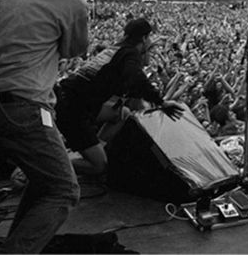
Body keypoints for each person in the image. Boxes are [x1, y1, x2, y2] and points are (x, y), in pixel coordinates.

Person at [0, 0, 93, 253]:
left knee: (45, 184)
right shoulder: (74, 3)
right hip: (23, 105)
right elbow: (74, 49)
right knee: (65, 190)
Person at [54, 18, 184, 176]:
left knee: (122, 113)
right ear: (144, 38)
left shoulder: (116, 48)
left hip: (72, 100)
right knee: (99, 166)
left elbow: (130, 88)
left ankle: (98, 148)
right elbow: (136, 78)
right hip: (72, 109)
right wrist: (161, 102)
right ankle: (46, 166)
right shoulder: (130, 53)